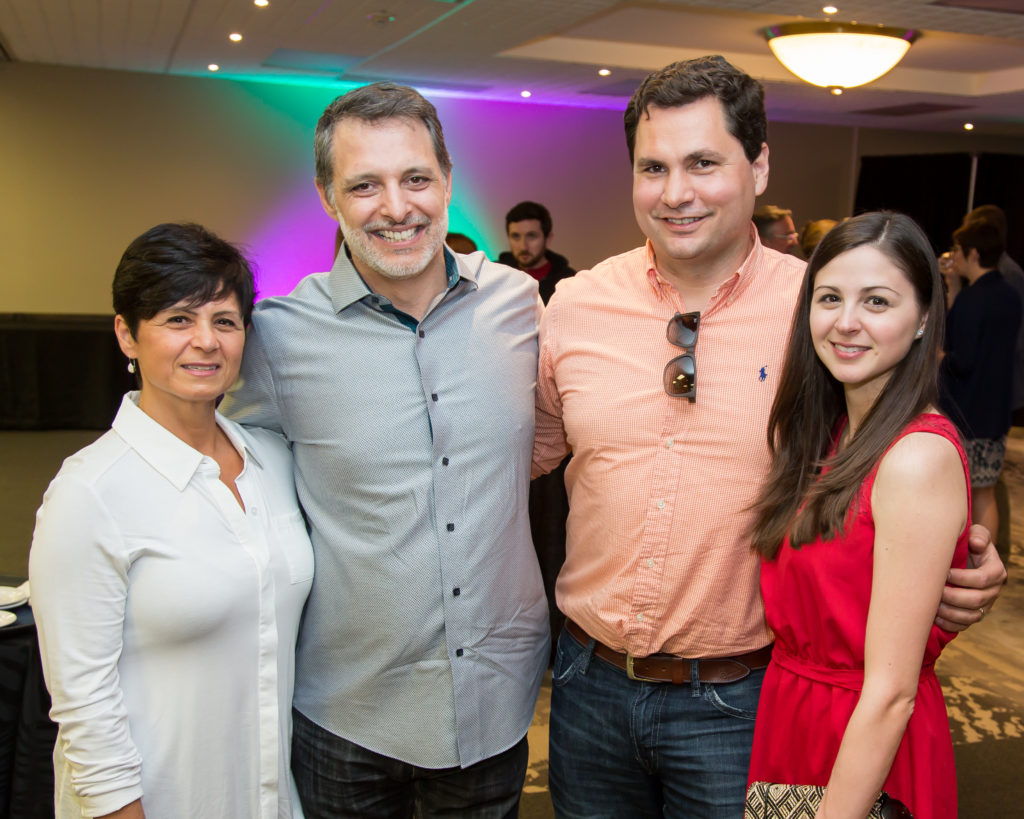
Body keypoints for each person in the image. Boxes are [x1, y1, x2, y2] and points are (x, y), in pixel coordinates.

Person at [532, 55, 1007, 818]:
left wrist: (959, 564)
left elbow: (891, 463)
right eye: (653, 167)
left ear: (758, 166)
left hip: (745, 700)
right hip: (588, 686)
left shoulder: (819, 315)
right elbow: (520, 456)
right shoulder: (575, 304)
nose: (675, 192)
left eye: (703, 163)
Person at [220, 82, 549, 818]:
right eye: (364, 184)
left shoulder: (519, 305)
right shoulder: (276, 337)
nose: (396, 207)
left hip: (495, 705)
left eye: (416, 179)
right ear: (327, 197)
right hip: (346, 715)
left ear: (448, 182)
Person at [29, 222, 313, 818]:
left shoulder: (273, 463)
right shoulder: (90, 493)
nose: (205, 341)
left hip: (266, 798)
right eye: (178, 320)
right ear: (127, 336)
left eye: (225, 321)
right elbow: (83, 706)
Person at [746, 212, 968, 818]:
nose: (846, 322)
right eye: (829, 298)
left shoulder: (916, 455)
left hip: (866, 746)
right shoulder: (830, 433)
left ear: (924, 316)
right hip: (796, 725)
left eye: (877, 301)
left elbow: (893, 692)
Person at [940, 218, 1022, 538]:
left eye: (958, 250)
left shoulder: (975, 300)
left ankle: (970, 560)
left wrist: (939, 357)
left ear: (973, 253)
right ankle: (987, 557)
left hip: (969, 411)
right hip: (997, 408)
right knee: (986, 491)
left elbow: (964, 360)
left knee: (967, 496)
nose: (954, 256)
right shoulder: (1009, 293)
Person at [498, 200, 576, 304]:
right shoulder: (495, 275)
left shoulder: (569, 282)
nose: (523, 246)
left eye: (531, 236)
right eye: (516, 236)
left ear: (548, 239)